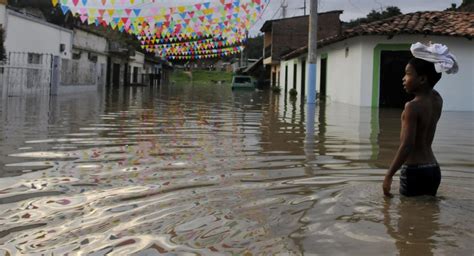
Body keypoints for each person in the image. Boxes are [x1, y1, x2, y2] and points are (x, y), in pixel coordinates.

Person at [383, 42, 458, 197]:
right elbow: (432, 84)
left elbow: (407, 146)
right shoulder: (437, 99)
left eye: (408, 74)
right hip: (433, 169)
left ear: (422, 79)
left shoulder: (412, 107)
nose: (403, 78)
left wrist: (389, 175)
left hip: (413, 171)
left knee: (407, 217)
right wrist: (430, 58)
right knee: (428, 214)